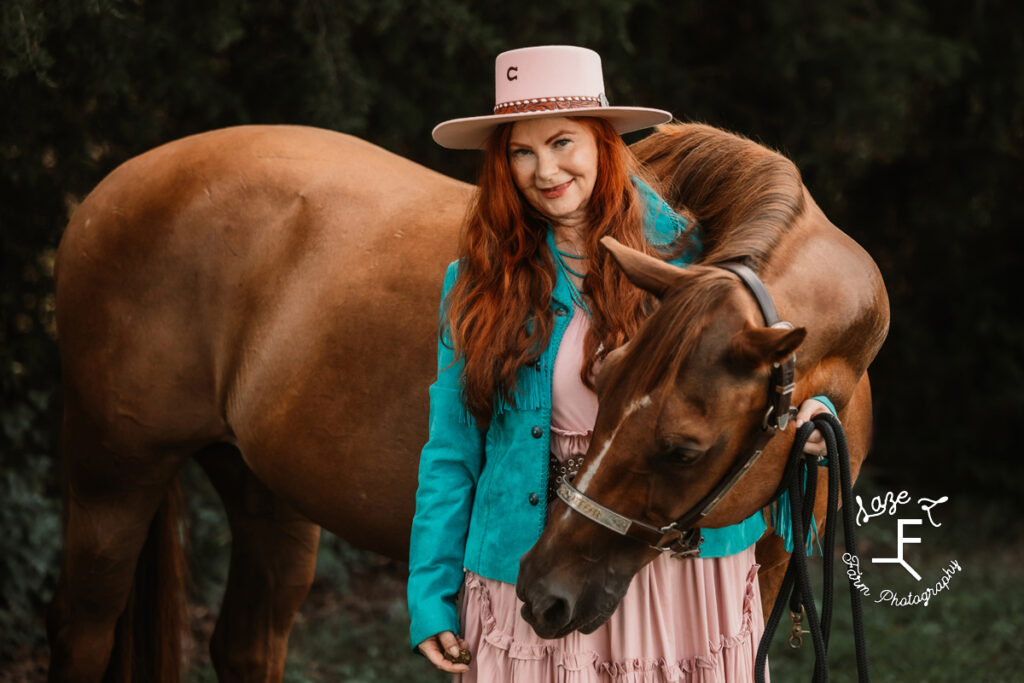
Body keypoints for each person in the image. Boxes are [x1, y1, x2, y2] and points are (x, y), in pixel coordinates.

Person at [407, 45, 834, 682]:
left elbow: (763, 384)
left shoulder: (698, 262)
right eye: (521, 152)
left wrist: (809, 418)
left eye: (561, 142)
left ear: (603, 143)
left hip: (680, 575)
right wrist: (429, 594)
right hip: (533, 557)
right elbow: (451, 448)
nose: (543, 170)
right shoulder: (477, 281)